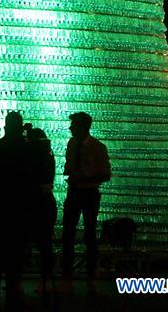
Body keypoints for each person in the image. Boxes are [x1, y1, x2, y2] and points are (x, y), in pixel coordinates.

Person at [0, 111, 34, 311]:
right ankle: (13, 295)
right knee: (15, 257)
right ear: (20, 128)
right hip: (19, 209)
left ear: (5, 127)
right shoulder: (27, 149)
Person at [60, 111, 111, 294]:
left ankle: (90, 277)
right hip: (73, 191)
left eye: (74, 125)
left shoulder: (98, 147)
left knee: (89, 235)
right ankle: (67, 276)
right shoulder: (72, 144)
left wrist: (87, 176)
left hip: (90, 192)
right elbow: (69, 164)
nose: (71, 128)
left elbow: (106, 174)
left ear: (83, 127)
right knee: (67, 234)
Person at [24, 125, 57, 294]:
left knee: (23, 242)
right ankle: (46, 282)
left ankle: (16, 284)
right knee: (45, 244)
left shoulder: (29, 155)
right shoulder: (48, 154)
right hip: (46, 202)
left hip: (31, 203)